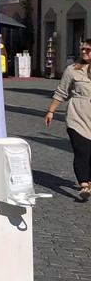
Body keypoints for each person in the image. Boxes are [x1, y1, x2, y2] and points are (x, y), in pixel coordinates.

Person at [45, 37, 91, 201]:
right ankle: (84, 185)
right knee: (82, 151)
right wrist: (51, 111)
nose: (84, 51)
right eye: (83, 49)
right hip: (77, 116)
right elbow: (61, 92)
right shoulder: (72, 70)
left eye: (88, 49)